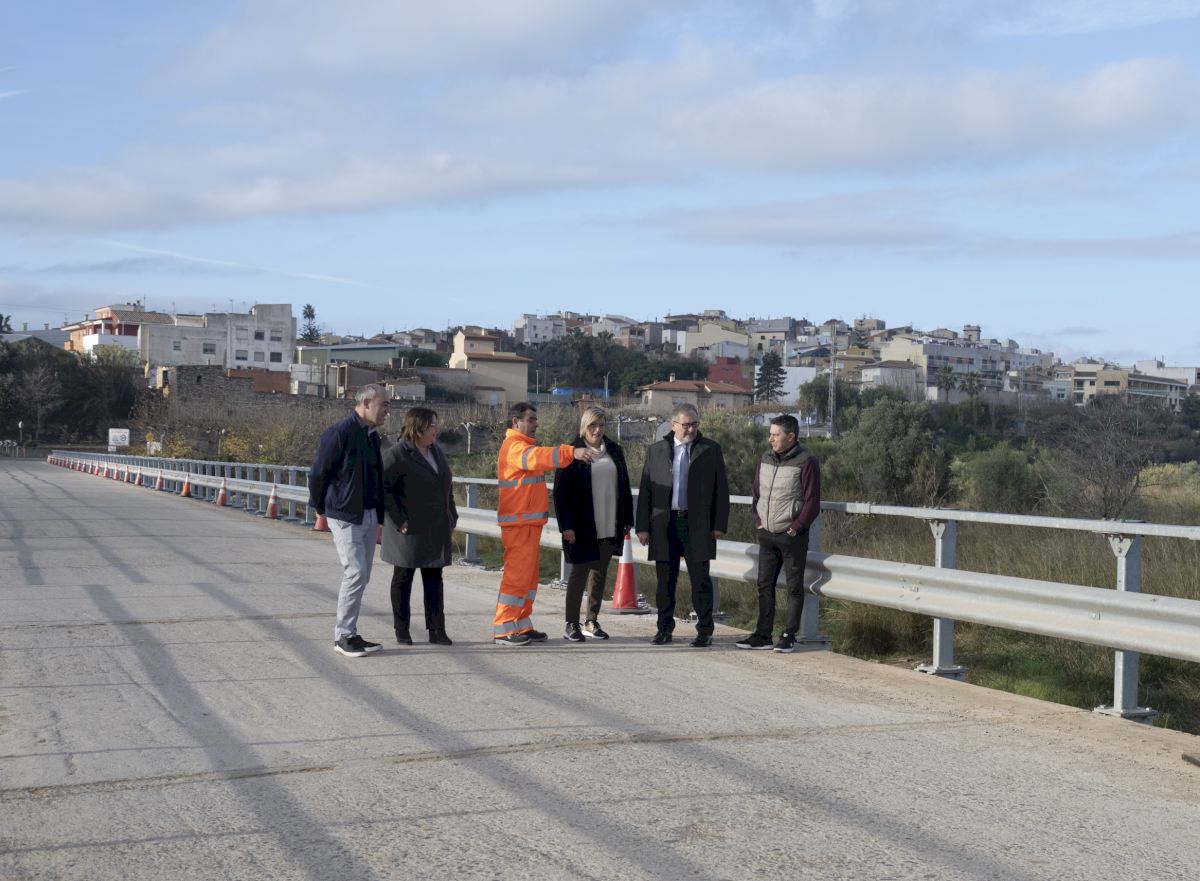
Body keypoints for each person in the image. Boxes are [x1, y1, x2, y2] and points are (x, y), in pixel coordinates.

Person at [493, 402, 595, 646]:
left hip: (527, 523)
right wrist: (571, 452)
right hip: (519, 524)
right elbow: (540, 458)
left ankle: (521, 624)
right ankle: (504, 628)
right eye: (530, 419)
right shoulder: (515, 447)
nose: (535, 424)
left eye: (535, 420)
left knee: (527, 579)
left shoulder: (522, 446)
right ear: (515, 422)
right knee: (517, 577)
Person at [636, 403, 730, 647]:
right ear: (674, 424)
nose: (691, 429)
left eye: (694, 424)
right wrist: (642, 527)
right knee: (665, 582)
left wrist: (719, 524)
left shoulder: (710, 449)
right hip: (665, 524)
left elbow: (721, 489)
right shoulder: (657, 450)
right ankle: (664, 629)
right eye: (686, 425)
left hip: (697, 524)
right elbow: (646, 490)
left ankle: (705, 631)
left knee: (701, 581)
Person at [309, 384, 389, 658]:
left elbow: (376, 477)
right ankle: (343, 636)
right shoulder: (339, 432)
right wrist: (319, 506)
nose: (387, 411)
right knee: (355, 572)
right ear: (366, 403)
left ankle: (351, 633)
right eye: (384, 405)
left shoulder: (371, 436)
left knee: (362, 576)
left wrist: (379, 514)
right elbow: (318, 472)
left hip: (367, 514)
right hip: (345, 514)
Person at [737, 414, 821, 653]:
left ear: (791, 436)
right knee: (764, 585)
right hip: (766, 533)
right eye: (770, 434)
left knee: (794, 587)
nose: (770, 439)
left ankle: (788, 635)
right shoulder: (765, 458)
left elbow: (812, 500)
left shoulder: (806, 461)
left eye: (775, 435)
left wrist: (797, 526)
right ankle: (763, 635)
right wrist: (758, 520)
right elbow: (756, 493)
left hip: (791, 535)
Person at [553, 406, 634, 642]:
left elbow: (624, 486)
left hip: (609, 522)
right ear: (584, 427)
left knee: (599, 573)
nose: (597, 430)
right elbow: (561, 493)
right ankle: (571, 623)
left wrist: (627, 519)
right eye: (592, 425)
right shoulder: (572, 451)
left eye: (601, 425)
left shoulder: (614, 450)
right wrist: (566, 526)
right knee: (579, 573)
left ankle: (591, 620)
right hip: (582, 525)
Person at [381, 407, 458, 647]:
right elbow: (383, 489)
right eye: (432, 425)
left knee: (434, 578)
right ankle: (402, 629)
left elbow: (446, 484)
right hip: (409, 529)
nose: (436, 429)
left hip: (435, 526)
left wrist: (452, 513)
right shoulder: (397, 454)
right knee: (403, 578)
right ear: (418, 427)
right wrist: (399, 519)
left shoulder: (436, 451)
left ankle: (437, 629)